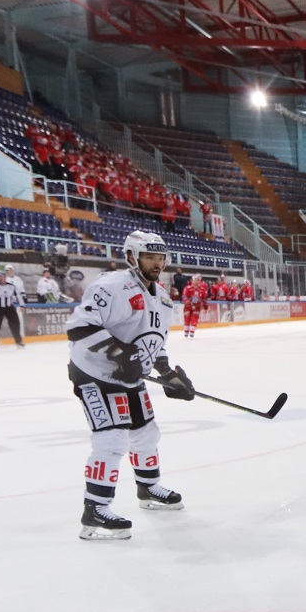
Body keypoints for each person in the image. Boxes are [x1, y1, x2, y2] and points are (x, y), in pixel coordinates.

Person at [64, 231, 195, 541]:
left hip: (128, 376)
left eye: (160, 257)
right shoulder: (112, 286)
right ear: (131, 257)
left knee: (147, 434)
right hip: (94, 374)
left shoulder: (161, 295)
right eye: (149, 256)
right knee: (111, 440)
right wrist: (120, 354)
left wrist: (167, 374)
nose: (157, 263)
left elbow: (155, 340)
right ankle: (94, 511)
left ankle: (148, 489)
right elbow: (79, 328)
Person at [0, 270, 26, 348]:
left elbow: (18, 295)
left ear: (5, 277)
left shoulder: (11, 286)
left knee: (15, 324)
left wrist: (22, 305)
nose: (1, 278)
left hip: (9, 307)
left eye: (3, 277)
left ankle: (18, 341)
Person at [181, 273, 208, 338]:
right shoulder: (187, 288)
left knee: (194, 319)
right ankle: (186, 333)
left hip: (197, 307)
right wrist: (187, 302)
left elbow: (204, 299)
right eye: (195, 279)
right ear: (192, 280)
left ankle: (192, 333)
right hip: (188, 307)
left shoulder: (202, 290)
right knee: (187, 319)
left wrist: (205, 306)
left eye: (198, 280)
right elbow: (184, 296)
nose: (197, 281)